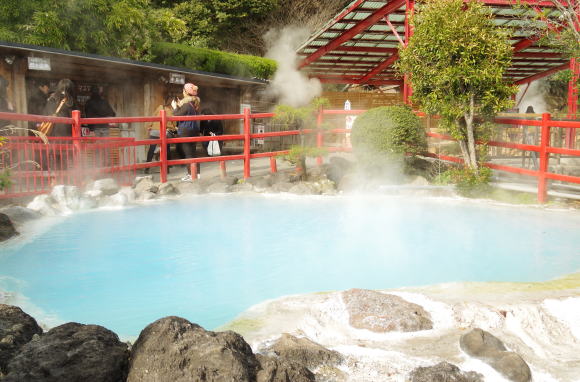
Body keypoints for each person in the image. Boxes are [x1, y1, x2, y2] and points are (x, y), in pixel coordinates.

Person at [172, 83, 201, 181]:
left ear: (185, 92)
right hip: (194, 130)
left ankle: (190, 175)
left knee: (188, 154)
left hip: (186, 131)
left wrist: (175, 106)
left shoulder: (186, 105)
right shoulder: (194, 103)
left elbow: (176, 115)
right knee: (193, 152)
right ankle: (197, 174)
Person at [144, 97, 177, 173]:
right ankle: (167, 168)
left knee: (151, 149)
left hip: (154, 131)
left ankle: (147, 168)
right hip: (164, 131)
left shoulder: (159, 107)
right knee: (167, 149)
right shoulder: (171, 110)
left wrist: (150, 126)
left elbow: (152, 117)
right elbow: (174, 122)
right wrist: (174, 128)